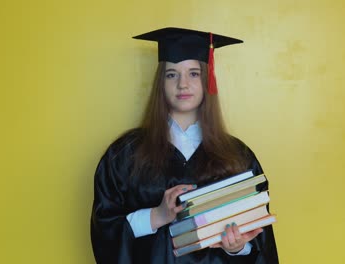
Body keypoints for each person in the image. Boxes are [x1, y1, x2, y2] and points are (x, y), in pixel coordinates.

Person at [90, 27, 279, 263]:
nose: (182, 84)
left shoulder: (238, 156)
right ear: (161, 82)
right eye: (171, 74)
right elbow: (105, 232)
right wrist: (156, 216)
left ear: (207, 80)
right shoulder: (125, 154)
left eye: (193, 73)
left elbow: (262, 244)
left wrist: (238, 247)